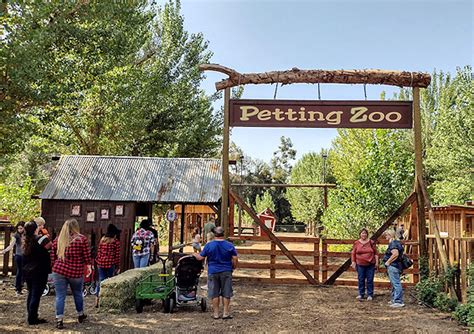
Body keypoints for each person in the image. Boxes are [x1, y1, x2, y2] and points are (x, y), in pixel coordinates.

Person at [51, 219, 92, 329]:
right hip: (75, 271)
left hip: (59, 270)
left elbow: (52, 255)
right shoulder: (82, 239)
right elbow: (87, 255)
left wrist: (54, 266)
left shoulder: (59, 239)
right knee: (77, 293)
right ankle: (80, 315)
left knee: (60, 296)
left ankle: (59, 319)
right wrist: (89, 266)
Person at [193, 226, 238, 319]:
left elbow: (200, 257)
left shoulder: (209, 245)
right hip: (226, 271)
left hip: (213, 271)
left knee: (214, 293)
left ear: (214, 235)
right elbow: (235, 258)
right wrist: (233, 267)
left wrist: (194, 254)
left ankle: (216, 313)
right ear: (223, 234)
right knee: (226, 292)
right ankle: (225, 313)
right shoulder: (229, 245)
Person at [22, 221, 52, 325]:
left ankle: (31, 315)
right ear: (36, 229)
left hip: (28, 270)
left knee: (31, 293)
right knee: (36, 294)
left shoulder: (26, 241)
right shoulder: (41, 239)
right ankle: (33, 318)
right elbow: (50, 247)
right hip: (40, 270)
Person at [95, 224, 121, 308]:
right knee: (109, 281)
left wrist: (98, 261)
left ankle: (97, 299)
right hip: (110, 264)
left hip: (101, 264)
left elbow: (98, 252)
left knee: (101, 281)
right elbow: (117, 255)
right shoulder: (115, 242)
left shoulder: (102, 240)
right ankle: (108, 300)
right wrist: (117, 266)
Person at [351, 228, 378, 301]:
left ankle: (370, 294)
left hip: (370, 264)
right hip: (360, 264)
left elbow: (376, 253)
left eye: (365, 233)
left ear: (367, 234)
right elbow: (353, 253)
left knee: (370, 280)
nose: (364, 234)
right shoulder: (356, 243)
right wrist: (353, 262)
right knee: (361, 279)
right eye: (362, 233)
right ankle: (361, 294)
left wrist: (377, 263)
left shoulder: (371, 242)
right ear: (360, 234)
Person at [1, 221, 26, 296]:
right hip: (19, 256)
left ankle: (20, 287)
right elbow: (11, 245)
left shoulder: (27, 235)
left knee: (25, 272)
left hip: (26, 256)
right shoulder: (16, 235)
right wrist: (4, 251)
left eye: (21, 228)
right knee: (20, 271)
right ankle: (18, 289)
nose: (19, 230)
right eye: (18, 228)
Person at [383, 229, 404, 308]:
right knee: (394, 283)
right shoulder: (396, 242)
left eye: (387, 235)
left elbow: (395, 254)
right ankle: (394, 299)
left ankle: (398, 301)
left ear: (390, 235)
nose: (386, 237)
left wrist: (388, 262)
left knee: (396, 283)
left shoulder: (393, 243)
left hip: (393, 266)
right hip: (396, 266)